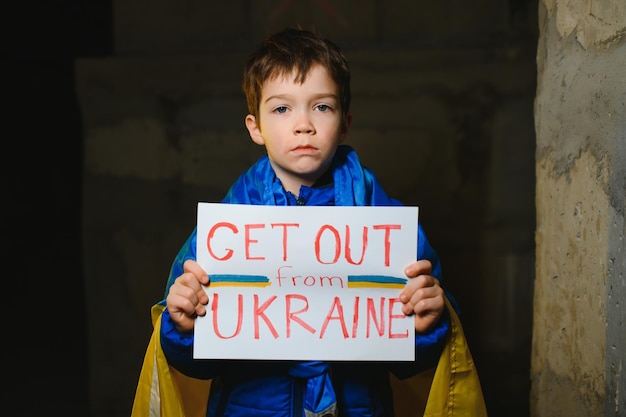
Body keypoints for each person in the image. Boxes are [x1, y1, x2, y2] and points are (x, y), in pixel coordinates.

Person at [155, 27, 455, 417]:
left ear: (345, 123)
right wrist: (180, 325)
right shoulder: (226, 229)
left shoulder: (386, 226)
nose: (304, 125)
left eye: (322, 107)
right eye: (282, 108)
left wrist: (429, 323)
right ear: (255, 127)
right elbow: (195, 360)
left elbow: (410, 360)